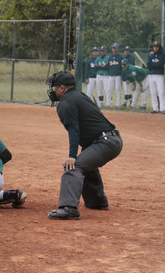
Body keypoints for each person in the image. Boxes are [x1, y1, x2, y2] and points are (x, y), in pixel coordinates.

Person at [45, 72, 123, 220]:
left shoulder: (66, 103)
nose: (53, 91)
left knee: (74, 166)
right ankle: (97, 202)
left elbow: (74, 130)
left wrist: (72, 156)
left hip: (105, 142)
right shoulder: (79, 95)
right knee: (86, 164)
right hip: (110, 139)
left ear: (62, 88)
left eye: (54, 87)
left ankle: (69, 209)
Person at [146, 41, 165, 114]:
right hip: (151, 75)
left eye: (157, 46)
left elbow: (160, 64)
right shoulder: (151, 56)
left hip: (159, 75)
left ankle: (163, 108)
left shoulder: (162, 56)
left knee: (161, 92)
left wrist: (152, 64)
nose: (155, 48)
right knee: (153, 92)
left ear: (159, 47)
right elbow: (148, 65)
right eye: (154, 46)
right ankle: (155, 108)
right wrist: (154, 64)